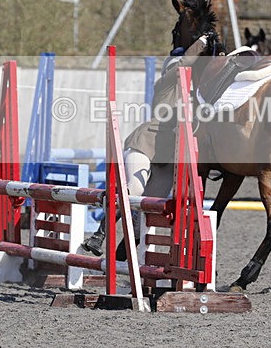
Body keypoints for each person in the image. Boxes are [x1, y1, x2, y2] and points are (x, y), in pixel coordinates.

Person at [83, 33, 212, 256]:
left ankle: (123, 255)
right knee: (134, 189)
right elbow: (184, 63)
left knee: (150, 206)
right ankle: (99, 234)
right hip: (146, 143)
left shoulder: (196, 95)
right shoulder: (166, 83)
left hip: (167, 158)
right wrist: (202, 42)